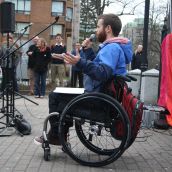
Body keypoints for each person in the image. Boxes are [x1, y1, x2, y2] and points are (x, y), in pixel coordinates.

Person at [34, 13, 133, 145]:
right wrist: (86, 52)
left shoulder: (112, 48)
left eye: (98, 27)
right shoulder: (112, 47)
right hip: (99, 94)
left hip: (97, 99)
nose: (96, 31)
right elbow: (98, 66)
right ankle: (59, 134)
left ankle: (57, 135)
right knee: (59, 93)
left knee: (55, 96)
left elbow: (102, 73)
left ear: (108, 28)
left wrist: (79, 62)